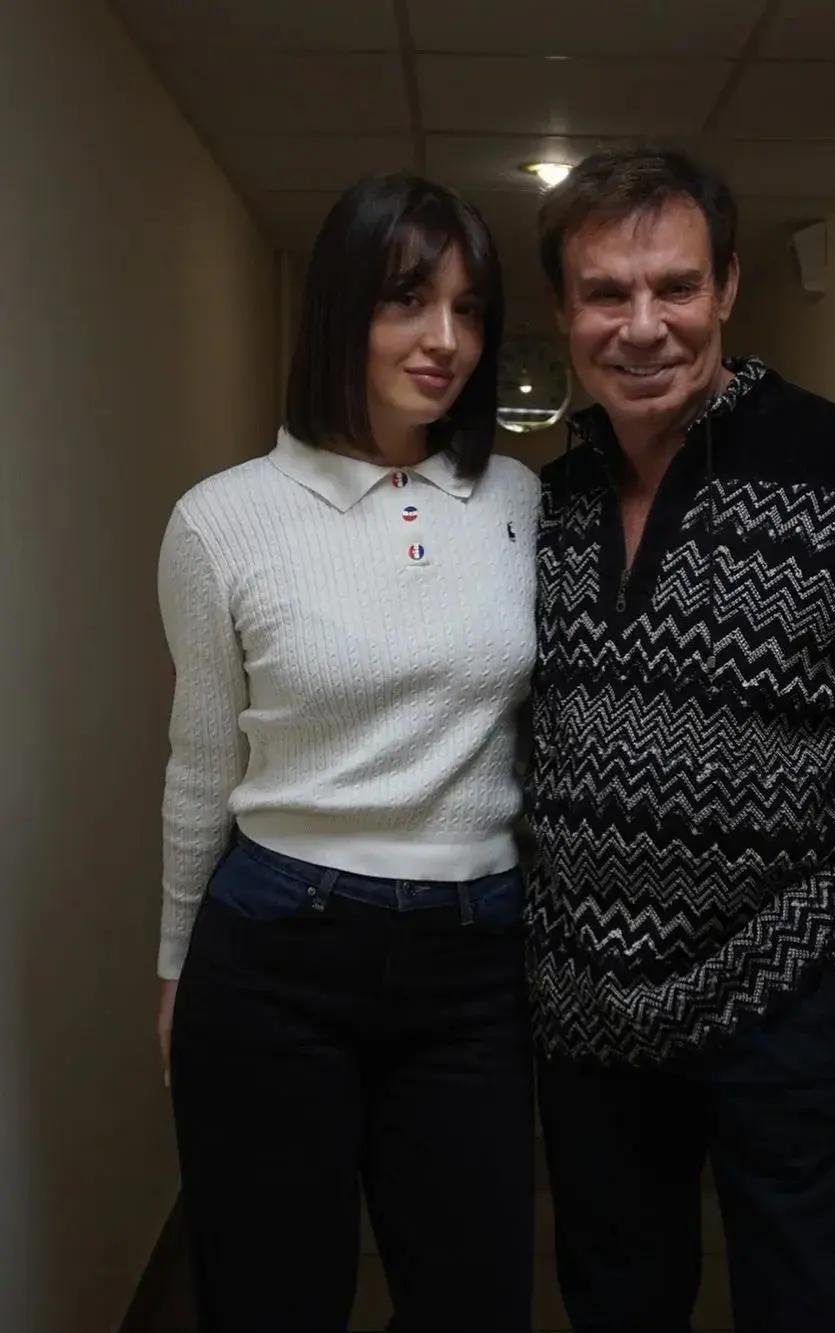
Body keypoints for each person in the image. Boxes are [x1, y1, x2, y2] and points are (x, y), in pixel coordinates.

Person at [525, 147, 835, 1333]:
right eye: (604, 293)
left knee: (815, 1305)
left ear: (727, 286)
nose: (642, 327)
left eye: (675, 286)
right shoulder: (545, 505)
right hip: (585, 1019)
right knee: (616, 1304)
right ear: (564, 310)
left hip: (782, 1002)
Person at [156, 173, 538, 1333]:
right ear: (338, 310)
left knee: (474, 1298)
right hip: (276, 952)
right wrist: (173, 970)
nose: (445, 339)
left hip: (475, 960)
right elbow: (201, 763)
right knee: (271, 1299)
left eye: (469, 309)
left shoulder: (520, 499)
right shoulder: (221, 518)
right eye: (406, 300)